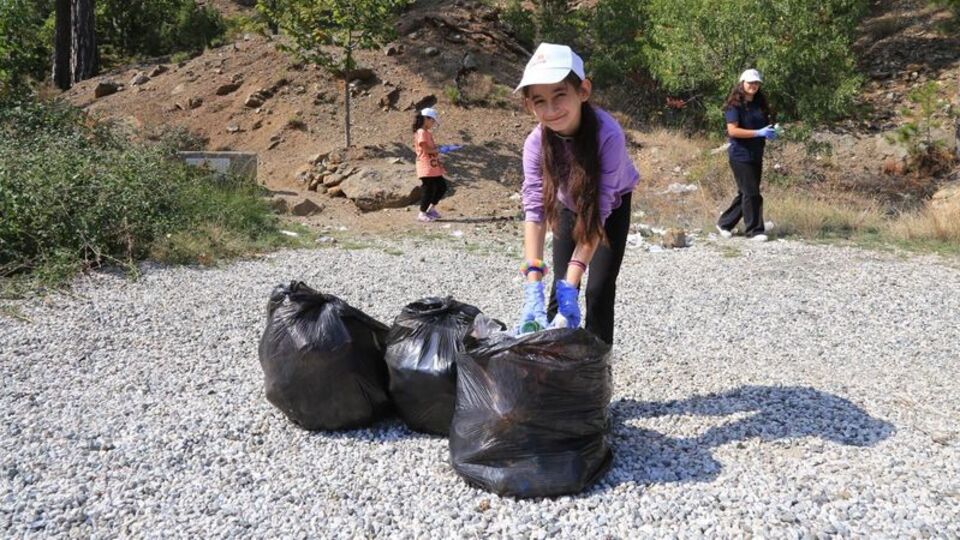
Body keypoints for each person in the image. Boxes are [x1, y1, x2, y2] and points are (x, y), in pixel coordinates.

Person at [515, 43, 640, 345]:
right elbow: (534, 210)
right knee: (559, 292)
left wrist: (575, 279)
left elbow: (599, 207)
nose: (551, 110)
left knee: (596, 290)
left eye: (560, 95)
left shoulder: (608, 135)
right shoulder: (535, 144)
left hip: (608, 209)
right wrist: (533, 282)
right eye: (539, 101)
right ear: (529, 105)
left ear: (583, 91)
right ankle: (552, 373)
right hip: (566, 207)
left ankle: (596, 377)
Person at [716, 68, 777, 242]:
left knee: (746, 192)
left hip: (756, 153)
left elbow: (765, 125)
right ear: (742, 83)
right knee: (752, 193)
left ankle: (724, 224)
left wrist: (771, 132)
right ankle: (755, 230)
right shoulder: (734, 106)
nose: (753, 86)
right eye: (750, 82)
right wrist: (758, 133)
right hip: (740, 155)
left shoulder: (759, 105)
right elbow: (733, 131)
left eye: (756, 83)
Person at [412, 107, 448, 222]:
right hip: (425, 165)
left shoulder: (426, 132)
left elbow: (431, 149)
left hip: (433, 165)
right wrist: (440, 150)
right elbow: (426, 150)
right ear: (426, 119)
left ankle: (430, 209)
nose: (433, 123)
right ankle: (422, 213)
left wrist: (439, 153)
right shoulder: (421, 132)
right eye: (432, 121)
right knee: (429, 189)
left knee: (442, 187)